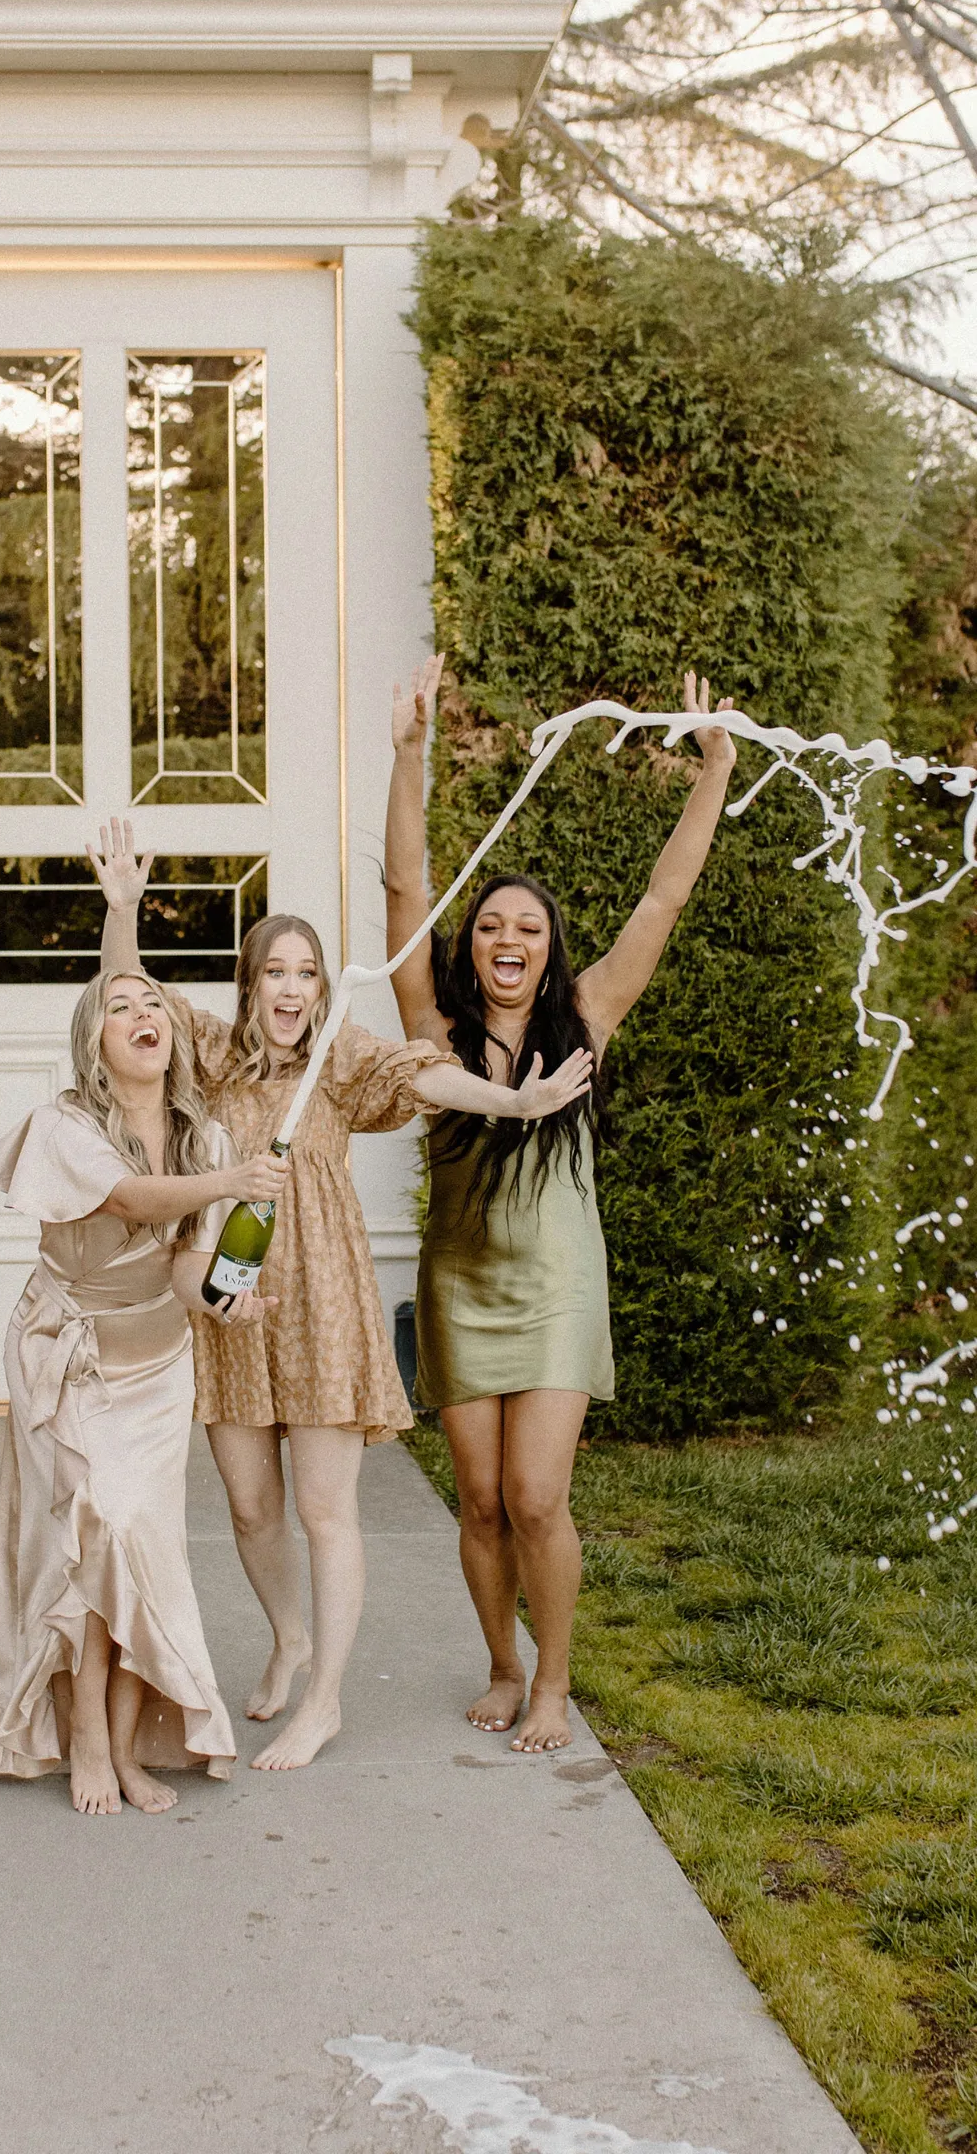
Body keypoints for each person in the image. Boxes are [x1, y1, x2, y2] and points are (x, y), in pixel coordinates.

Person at [94, 823, 592, 1771]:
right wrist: (124, 913)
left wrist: (518, 1103)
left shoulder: (342, 1058)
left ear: (323, 989)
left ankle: (322, 1699)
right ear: (251, 986)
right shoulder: (211, 1057)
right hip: (234, 1297)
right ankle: (289, 1635)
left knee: (325, 1511)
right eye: (275, 973)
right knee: (248, 1505)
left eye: (307, 974)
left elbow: (428, 1072)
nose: (291, 990)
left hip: (322, 1298)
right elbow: (133, 1000)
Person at [386, 659, 736, 1753]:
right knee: (479, 1501)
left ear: (549, 949)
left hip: (555, 1285)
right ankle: (499, 1661)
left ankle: (552, 1681)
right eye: (491, 924)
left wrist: (711, 773)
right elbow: (404, 897)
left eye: (527, 928)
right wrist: (408, 756)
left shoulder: (587, 1015)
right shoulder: (433, 1036)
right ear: (471, 942)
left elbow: (662, 899)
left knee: (538, 1497)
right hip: (459, 1280)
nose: (506, 939)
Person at [0, 969, 283, 1817]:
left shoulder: (208, 1142)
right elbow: (126, 1198)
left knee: (138, 1549)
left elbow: (186, 1268)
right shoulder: (65, 1125)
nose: (144, 1014)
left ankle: (122, 1749)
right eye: (121, 1007)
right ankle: (82, 1744)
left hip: (155, 1369)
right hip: (65, 1357)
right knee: (90, 1537)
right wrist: (228, 1187)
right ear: (95, 1042)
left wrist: (227, 1301)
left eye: (155, 1003)